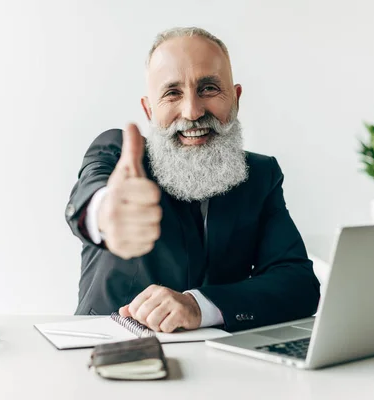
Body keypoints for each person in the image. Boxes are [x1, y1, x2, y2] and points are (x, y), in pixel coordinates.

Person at [65, 27, 320, 333]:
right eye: (172, 93)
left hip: (225, 363)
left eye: (209, 88)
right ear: (149, 109)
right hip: (108, 351)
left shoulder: (261, 175)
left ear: (236, 99)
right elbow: (89, 198)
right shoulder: (118, 152)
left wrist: (200, 306)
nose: (193, 111)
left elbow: (298, 284)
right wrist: (105, 214)